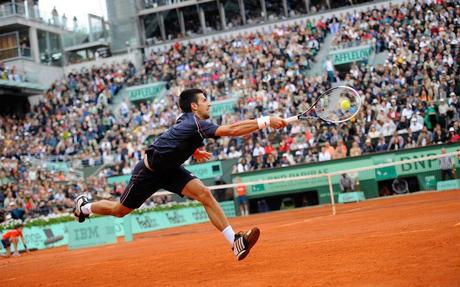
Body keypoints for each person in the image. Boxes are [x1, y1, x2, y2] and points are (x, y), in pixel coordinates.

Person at [73, 88, 287, 260]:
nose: (209, 103)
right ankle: (84, 207)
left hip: (171, 170)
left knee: (205, 194)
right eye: (205, 100)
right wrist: (266, 121)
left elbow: (174, 138)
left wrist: (194, 150)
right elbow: (230, 130)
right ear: (194, 106)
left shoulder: (185, 120)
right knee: (120, 210)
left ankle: (235, 242)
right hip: (149, 172)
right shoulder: (194, 123)